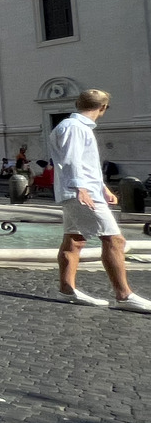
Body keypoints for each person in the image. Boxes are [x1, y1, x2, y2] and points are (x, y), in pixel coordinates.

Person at [51, 89, 150, 310]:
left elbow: (84, 165)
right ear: (103, 108)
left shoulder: (74, 126)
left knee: (74, 240)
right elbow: (71, 161)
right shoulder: (75, 128)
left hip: (79, 191)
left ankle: (67, 289)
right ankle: (124, 295)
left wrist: (102, 187)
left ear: (78, 103)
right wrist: (81, 189)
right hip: (81, 193)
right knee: (115, 241)